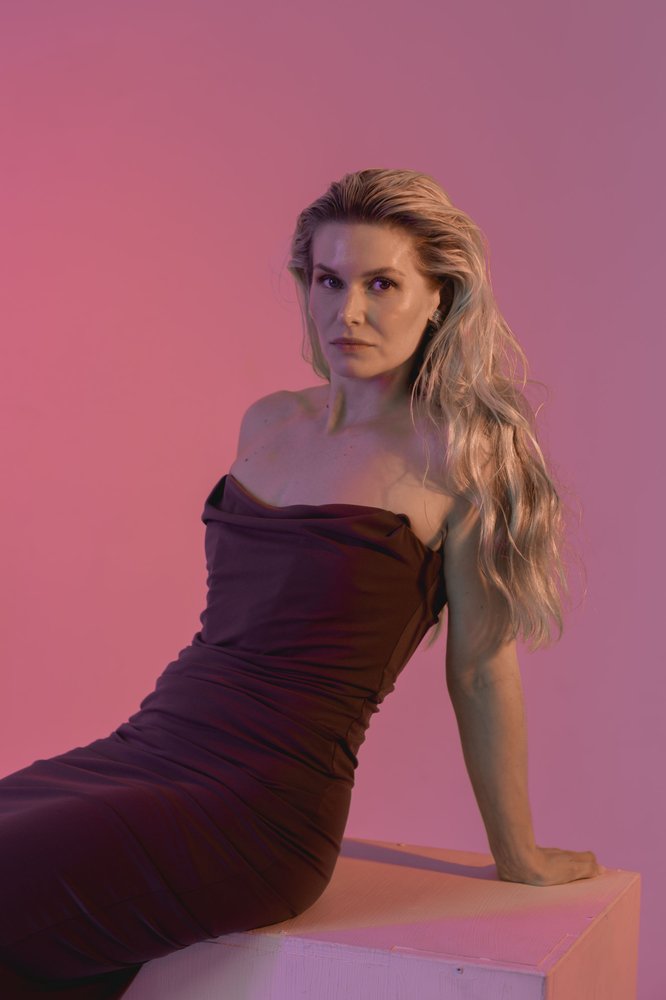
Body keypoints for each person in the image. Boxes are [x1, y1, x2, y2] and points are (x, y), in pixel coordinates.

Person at [0, 167, 603, 997]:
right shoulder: (270, 419)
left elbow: (479, 669)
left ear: (439, 299)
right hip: (146, 748)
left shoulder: (463, 457)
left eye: (382, 284)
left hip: (257, 807)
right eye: (329, 280)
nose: (348, 311)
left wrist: (518, 854)